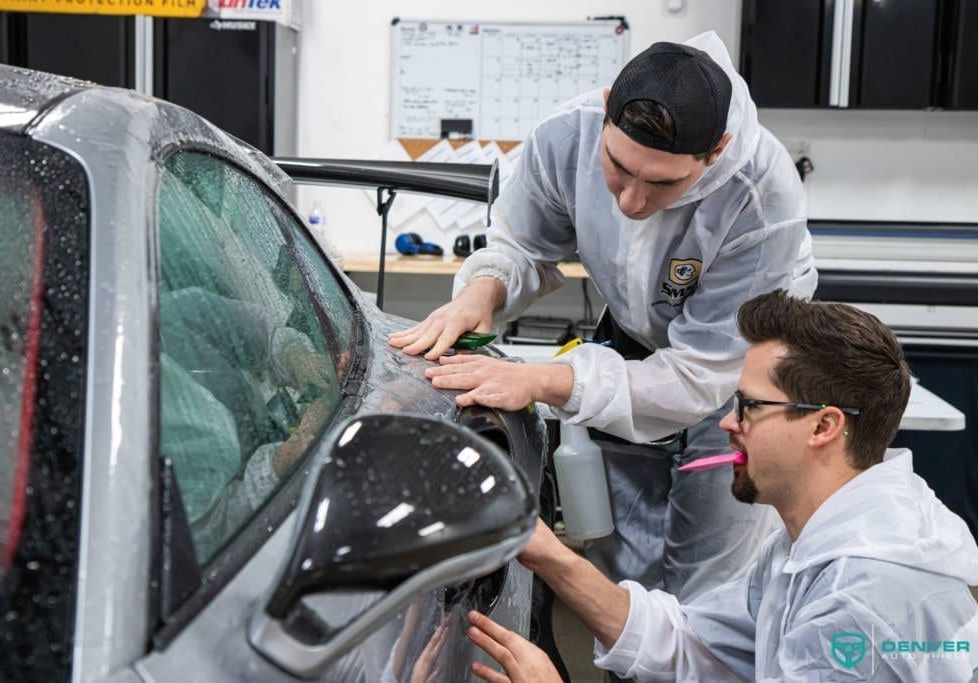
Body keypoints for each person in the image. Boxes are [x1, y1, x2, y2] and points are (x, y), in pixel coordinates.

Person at [389, 31, 817, 598]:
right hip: (634, 342)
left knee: (711, 584)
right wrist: (481, 294)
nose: (631, 202)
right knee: (621, 565)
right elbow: (521, 247)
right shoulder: (568, 134)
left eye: (663, 183)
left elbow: (699, 375)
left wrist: (542, 380)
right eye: (618, 167)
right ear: (609, 103)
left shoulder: (760, 197)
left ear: (716, 151)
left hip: (740, 377)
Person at [464, 290, 978, 682]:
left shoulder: (861, 597)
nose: (728, 424)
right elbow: (692, 642)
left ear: (823, 427)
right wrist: (552, 556)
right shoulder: (819, 537)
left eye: (749, 406)